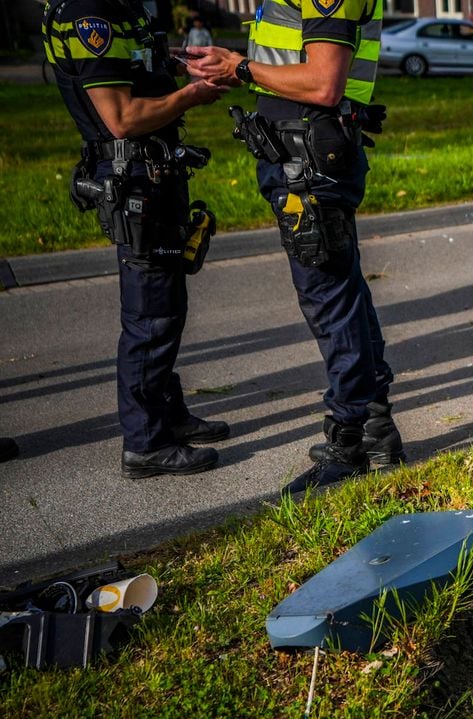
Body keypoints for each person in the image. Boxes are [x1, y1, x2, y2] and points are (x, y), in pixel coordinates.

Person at [186, 0, 405, 497]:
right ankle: (374, 429)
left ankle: (349, 444)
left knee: (328, 297)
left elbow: (324, 81)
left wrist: (239, 67)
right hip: (300, 152)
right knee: (341, 289)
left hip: (310, 159)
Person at [42, 0, 230, 479]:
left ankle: (168, 415)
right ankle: (146, 443)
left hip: (158, 172)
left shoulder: (124, 8)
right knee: (150, 317)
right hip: (134, 180)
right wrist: (190, 96)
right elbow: (121, 117)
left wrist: (180, 62)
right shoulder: (91, 16)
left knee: (168, 305)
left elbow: (140, 64)